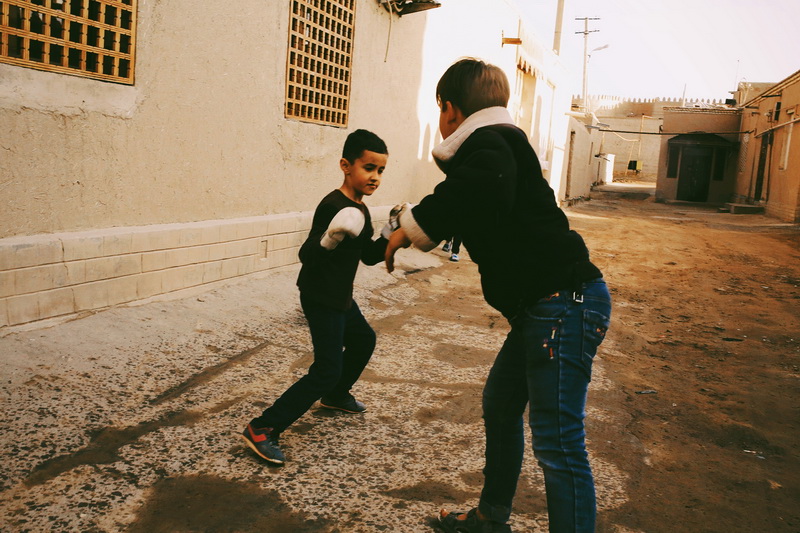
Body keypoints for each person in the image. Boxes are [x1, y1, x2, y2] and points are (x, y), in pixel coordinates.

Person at [385, 59, 611, 533]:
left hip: (562, 305)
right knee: (501, 404)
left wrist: (411, 226)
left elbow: (481, 189)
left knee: (559, 442)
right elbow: (476, 196)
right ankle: (491, 518)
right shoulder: (500, 146)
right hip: (545, 307)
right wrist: (402, 230)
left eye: (441, 108)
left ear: (450, 109)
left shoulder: (492, 145)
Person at [242, 129, 395, 465]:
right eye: (369, 168)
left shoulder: (361, 209)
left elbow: (368, 256)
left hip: (340, 296)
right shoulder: (332, 205)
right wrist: (331, 236)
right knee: (327, 368)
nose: (375, 177)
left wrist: (390, 231)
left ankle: (336, 395)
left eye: (381, 170)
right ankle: (263, 427)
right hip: (320, 296)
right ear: (346, 165)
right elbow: (306, 255)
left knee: (363, 341)